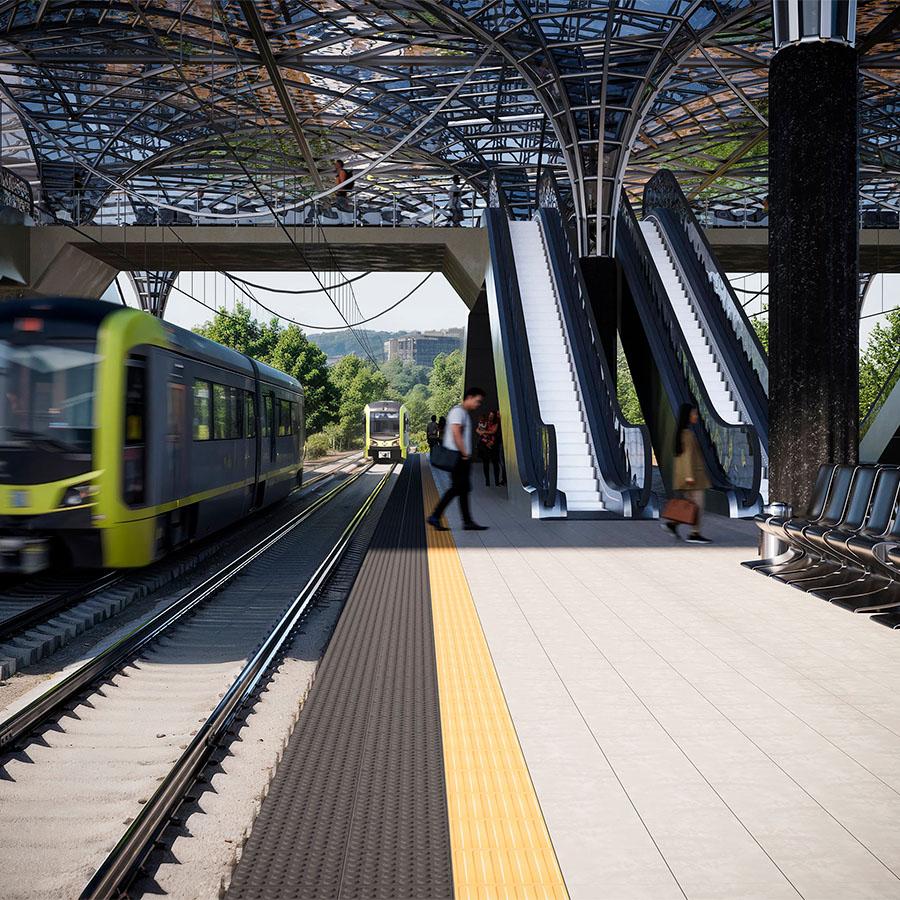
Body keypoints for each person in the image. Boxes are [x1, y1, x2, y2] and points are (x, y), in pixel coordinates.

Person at [428, 387, 488, 531]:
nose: (478, 404)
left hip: (460, 457)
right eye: (477, 401)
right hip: (458, 457)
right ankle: (435, 516)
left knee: (462, 489)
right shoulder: (458, 412)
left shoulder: (463, 413)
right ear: (469, 397)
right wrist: (465, 454)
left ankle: (466, 521)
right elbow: (456, 433)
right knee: (457, 489)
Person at [664, 403, 713, 544]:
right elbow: (687, 457)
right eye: (694, 413)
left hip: (686, 477)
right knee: (698, 506)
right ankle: (694, 534)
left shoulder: (681, 433)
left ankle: (673, 524)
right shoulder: (688, 435)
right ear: (688, 415)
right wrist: (689, 476)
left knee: (689, 505)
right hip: (693, 478)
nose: (696, 416)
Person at [476, 410, 501, 487]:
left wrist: (484, 432)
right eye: (489, 415)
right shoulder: (486, 422)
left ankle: (497, 482)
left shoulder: (496, 424)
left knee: (495, 464)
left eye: (492, 416)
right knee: (485, 463)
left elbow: (493, 432)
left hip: (493, 446)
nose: (490, 417)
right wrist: (480, 432)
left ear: (494, 417)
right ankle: (487, 481)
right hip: (485, 446)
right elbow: (477, 429)